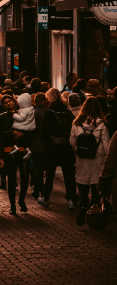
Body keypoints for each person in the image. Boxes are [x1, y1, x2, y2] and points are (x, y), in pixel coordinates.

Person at [69, 97, 110, 225]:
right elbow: (106, 145)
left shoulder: (77, 123)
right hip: (97, 160)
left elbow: (72, 141)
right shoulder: (101, 124)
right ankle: (94, 209)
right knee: (95, 186)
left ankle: (82, 205)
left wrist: (78, 151)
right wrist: (103, 157)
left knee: (82, 185)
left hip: (82, 160)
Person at [39, 88, 77, 210]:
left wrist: (47, 143)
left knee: (50, 174)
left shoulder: (49, 112)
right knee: (68, 175)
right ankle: (71, 199)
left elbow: (44, 133)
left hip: (52, 147)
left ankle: (46, 198)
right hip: (66, 147)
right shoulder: (67, 111)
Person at [0, 95, 30, 214]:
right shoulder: (2, 117)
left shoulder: (23, 114)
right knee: (11, 179)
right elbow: (0, 135)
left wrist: (23, 135)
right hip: (8, 151)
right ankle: (12, 205)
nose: (8, 104)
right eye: (5, 103)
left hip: (22, 150)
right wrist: (0, 156)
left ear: (14, 101)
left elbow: (30, 130)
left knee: (25, 177)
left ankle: (21, 200)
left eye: (9, 101)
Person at [9, 93, 36, 160]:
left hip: (22, 126)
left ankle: (15, 146)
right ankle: (27, 149)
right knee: (26, 141)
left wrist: (14, 114)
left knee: (13, 132)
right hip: (30, 127)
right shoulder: (31, 109)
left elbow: (21, 118)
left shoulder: (24, 110)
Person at [31, 93, 47, 199]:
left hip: (34, 143)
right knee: (42, 167)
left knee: (37, 167)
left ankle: (38, 188)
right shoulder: (47, 112)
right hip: (45, 143)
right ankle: (40, 188)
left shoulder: (32, 113)